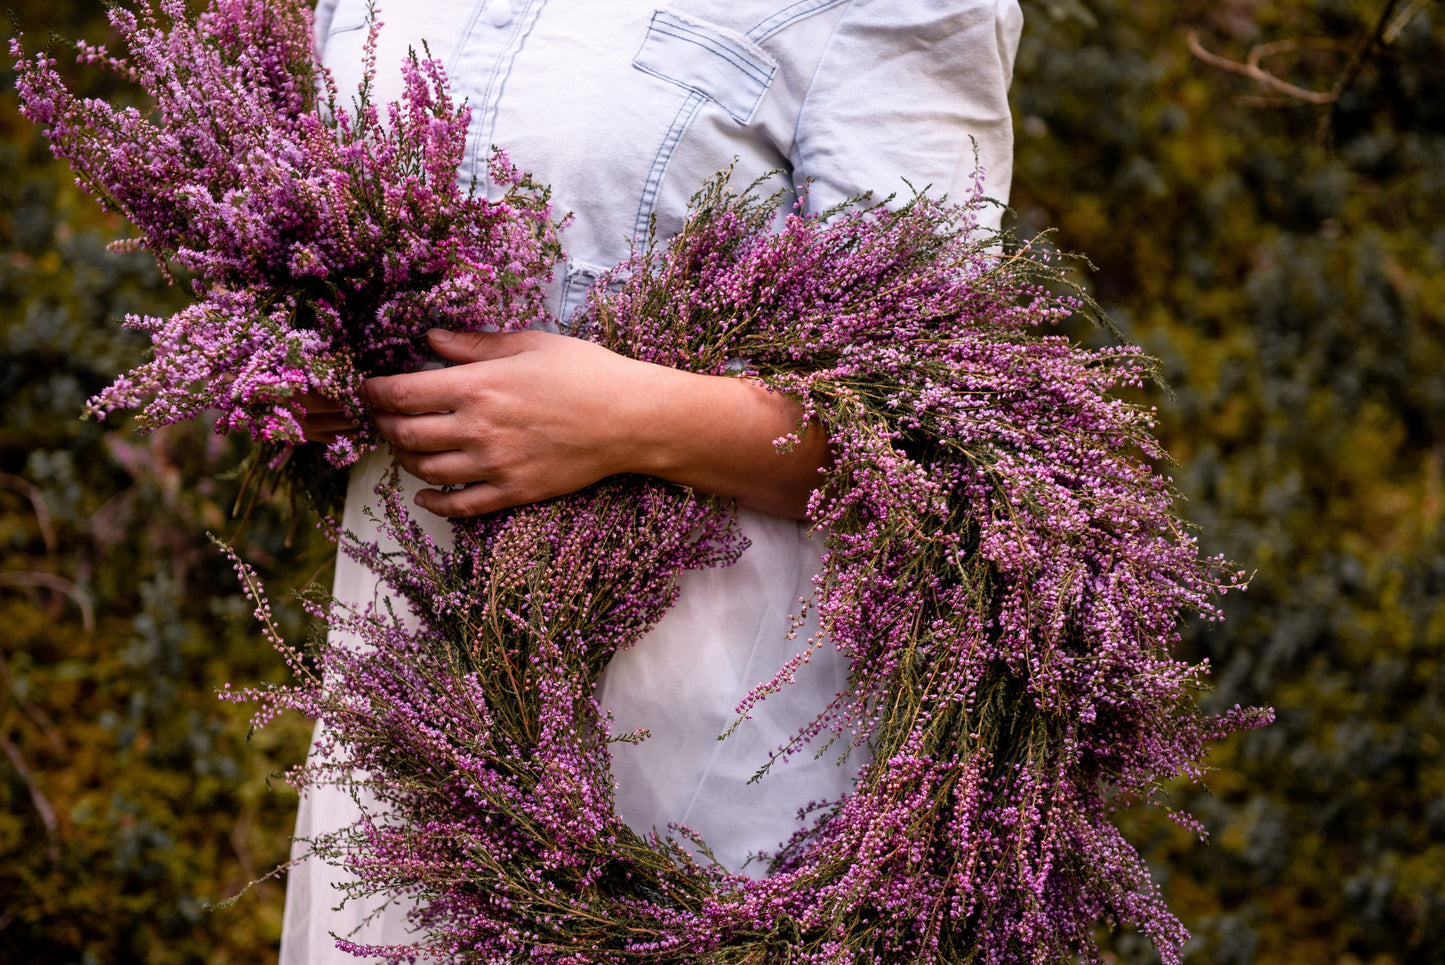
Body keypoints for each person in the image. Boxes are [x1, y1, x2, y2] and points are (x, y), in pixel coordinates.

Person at [284, 1, 1022, 960]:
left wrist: (622, 417)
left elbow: (943, 434)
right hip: (404, 697)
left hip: (693, 737)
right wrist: (301, 369)